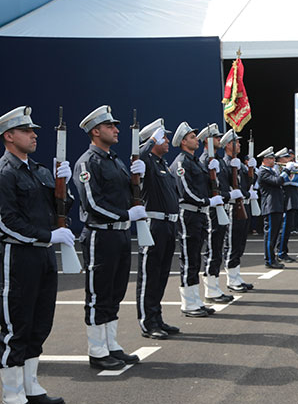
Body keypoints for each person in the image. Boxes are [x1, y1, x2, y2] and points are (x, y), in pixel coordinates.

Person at [0, 106, 71, 404]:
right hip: (18, 256)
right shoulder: (5, 173)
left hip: (43, 256)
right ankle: (12, 395)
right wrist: (47, 236)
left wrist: (64, 186)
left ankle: (31, 386)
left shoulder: (40, 170)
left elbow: (59, 207)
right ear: (9, 136)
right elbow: (6, 222)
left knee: (40, 323)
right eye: (27, 131)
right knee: (16, 325)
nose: (33, 135)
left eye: (35, 132)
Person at [74, 105, 145, 369]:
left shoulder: (115, 160)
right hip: (99, 235)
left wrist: (139, 178)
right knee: (98, 295)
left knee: (115, 293)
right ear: (95, 131)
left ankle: (111, 344)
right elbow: (92, 204)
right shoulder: (88, 162)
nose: (116, 130)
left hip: (120, 236)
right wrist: (127, 214)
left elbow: (128, 194)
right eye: (110, 126)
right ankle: (97, 350)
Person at [170, 121, 221, 318]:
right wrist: (207, 200)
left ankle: (195, 299)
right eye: (192, 137)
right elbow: (187, 191)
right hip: (189, 213)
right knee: (188, 258)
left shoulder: (195, 162)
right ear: (183, 142)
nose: (196, 140)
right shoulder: (182, 162)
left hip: (199, 213)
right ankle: (188, 302)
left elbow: (204, 186)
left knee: (195, 258)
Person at [136, 119, 181, 340]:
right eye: (163, 137)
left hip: (168, 224)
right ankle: (147, 322)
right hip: (153, 225)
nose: (167, 141)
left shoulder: (163, 164)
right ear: (152, 140)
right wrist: (151, 140)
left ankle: (157, 317)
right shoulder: (147, 162)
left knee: (162, 274)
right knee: (150, 274)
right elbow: (139, 155)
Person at [198, 125, 236, 304]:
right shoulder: (205, 160)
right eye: (215, 137)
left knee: (218, 248)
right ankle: (210, 289)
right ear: (207, 141)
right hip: (212, 209)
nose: (219, 140)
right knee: (212, 248)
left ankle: (215, 286)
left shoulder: (218, 160)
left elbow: (226, 183)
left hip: (221, 206)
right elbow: (205, 187)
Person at [221, 130, 255, 292]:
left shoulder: (238, 163)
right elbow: (225, 185)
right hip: (233, 208)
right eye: (237, 142)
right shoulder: (225, 163)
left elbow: (246, 184)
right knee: (232, 243)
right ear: (228, 145)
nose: (240, 145)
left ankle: (236, 275)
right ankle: (231, 278)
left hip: (242, 206)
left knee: (240, 243)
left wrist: (250, 170)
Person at [257, 146, 293, 269]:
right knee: (270, 235)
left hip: (276, 205)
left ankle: (273, 257)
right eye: (271, 158)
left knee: (275, 234)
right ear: (265, 159)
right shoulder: (263, 171)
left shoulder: (271, 170)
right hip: (270, 206)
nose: (274, 160)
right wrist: (287, 170)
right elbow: (278, 181)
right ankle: (269, 260)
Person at [276, 148, 298, 263]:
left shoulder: (290, 167)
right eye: (286, 158)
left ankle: (283, 251)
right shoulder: (278, 168)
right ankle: (281, 252)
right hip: (286, 200)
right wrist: (288, 169)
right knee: (284, 227)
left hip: (293, 199)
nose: (289, 159)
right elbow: (281, 181)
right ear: (280, 159)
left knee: (288, 227)